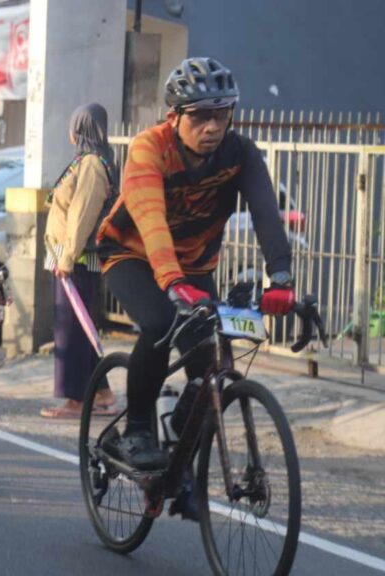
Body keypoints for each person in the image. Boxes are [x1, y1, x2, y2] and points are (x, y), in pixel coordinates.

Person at [96, 57, 295, 472]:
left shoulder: (239, 153)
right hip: (131, 254)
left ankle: (179, 456)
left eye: (222, 115)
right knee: (159, 323)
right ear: (174, 116)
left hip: (194, 264)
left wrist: (280, 277)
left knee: (211, 370)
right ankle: (135, 429)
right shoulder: (149, 148)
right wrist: (171, 280)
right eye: (202, 116)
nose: (213, 127)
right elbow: (151, 221)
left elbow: (264, 213)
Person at [40, 103, 117, 419]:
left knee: (71, 331)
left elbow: (81, 215)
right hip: (71, 258)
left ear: (81, 130)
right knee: (84, 331)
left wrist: (68, 258)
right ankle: (103, 394)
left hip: (78, 260)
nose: (70, 133)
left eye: (74, 126)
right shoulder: (86, 162)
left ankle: (76, 401)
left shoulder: (91, 165)